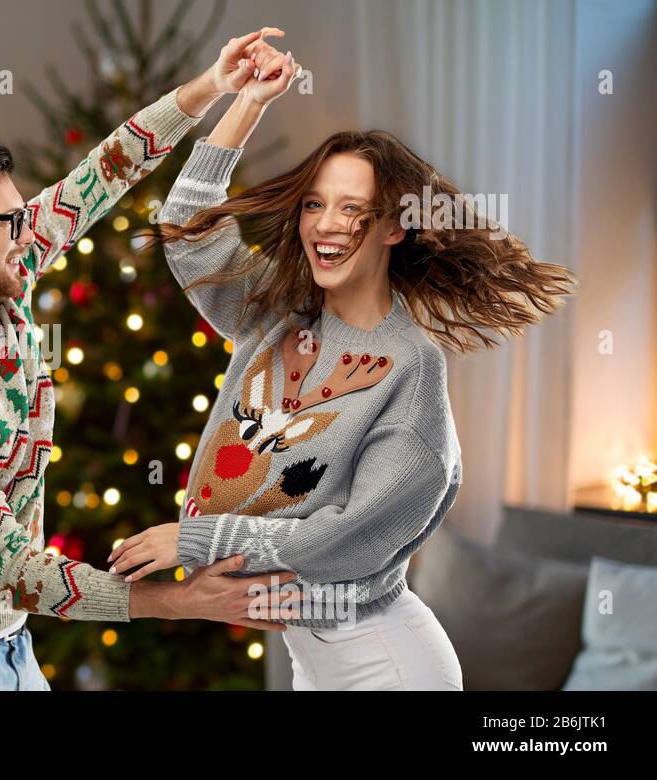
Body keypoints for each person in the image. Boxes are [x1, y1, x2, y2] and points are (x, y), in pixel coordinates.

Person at [109, 36, 575, 690]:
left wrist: (193, 541)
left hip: (386, 663)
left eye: (354, 210)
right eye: (315, 203)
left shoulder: (412, 370)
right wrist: (247, 103)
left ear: (394, 228)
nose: (326, 226)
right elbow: (187, 227)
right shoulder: (277, 313)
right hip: (315, 660)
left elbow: (346, 540)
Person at [0, 29, 302, 691]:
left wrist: (217, 86)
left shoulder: (3, 268)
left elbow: (105, 171)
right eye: (6, 221)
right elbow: (13, 569)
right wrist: (182, 601)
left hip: (1, 639)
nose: (24, 231)